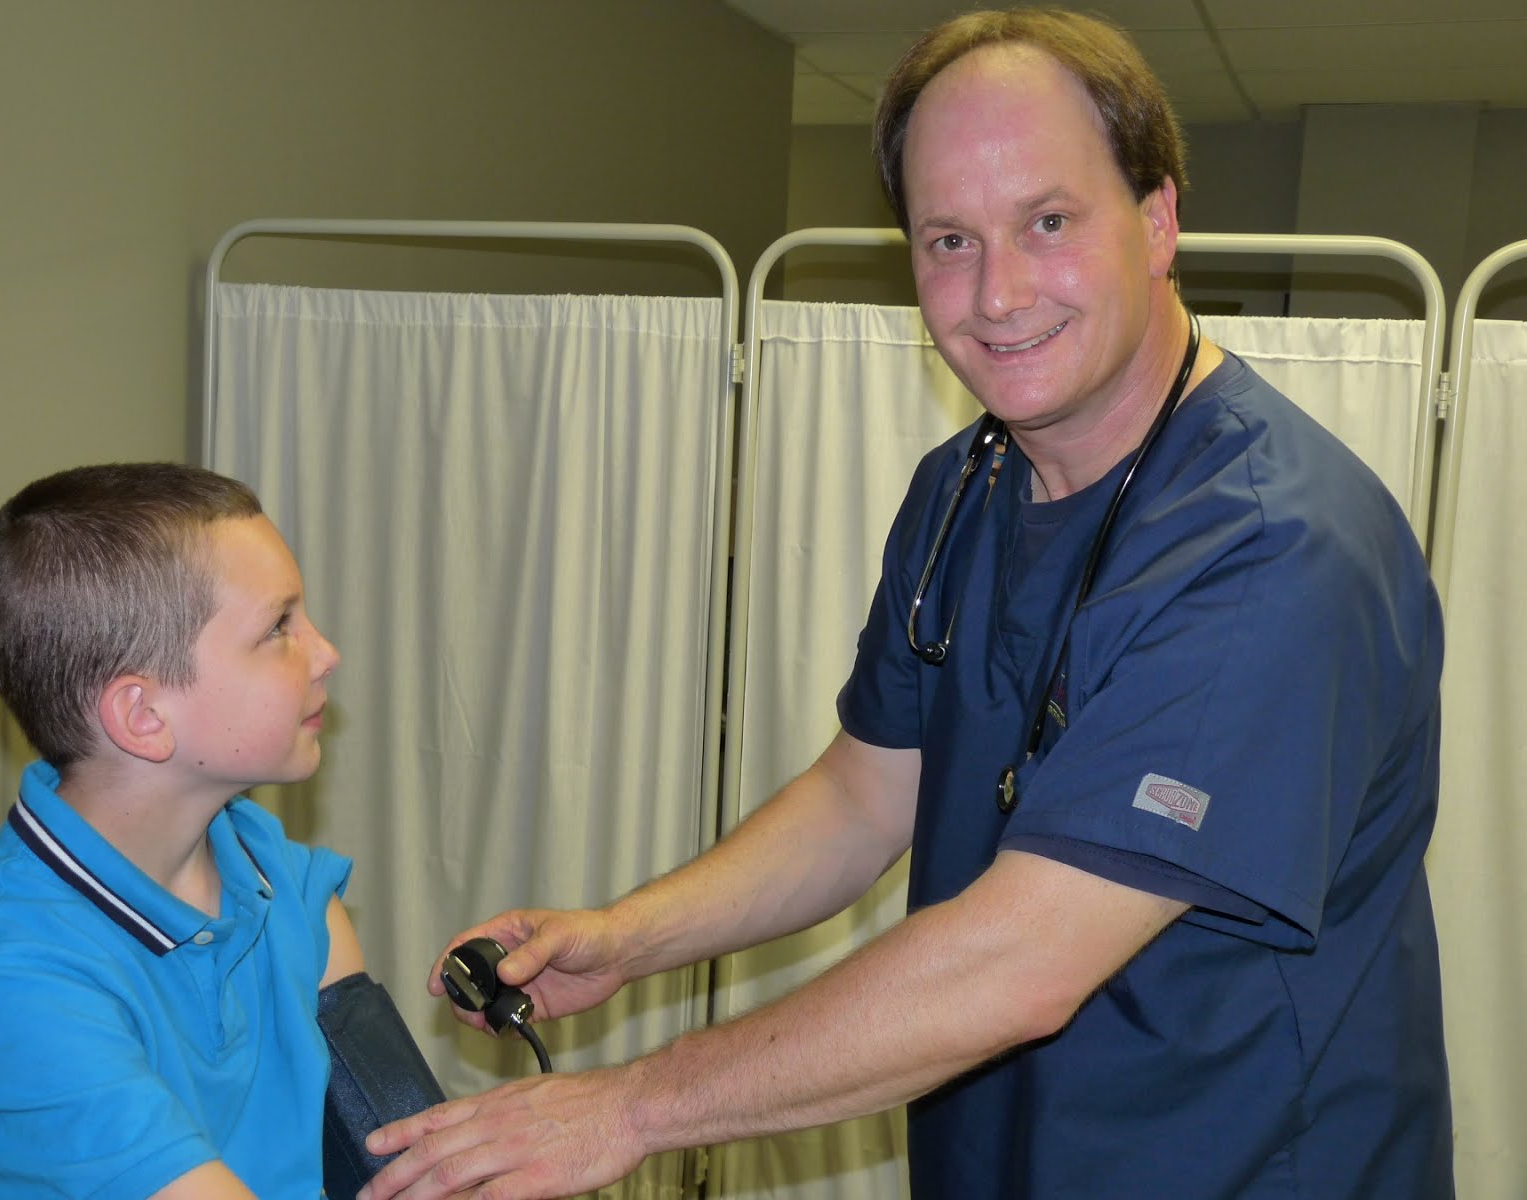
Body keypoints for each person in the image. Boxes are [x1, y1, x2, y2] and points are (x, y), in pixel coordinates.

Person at [363, 9, 1452, 1198]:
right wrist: (630, 938)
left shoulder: (1268, 553)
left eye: (1047, 221)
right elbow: (863, 793)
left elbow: (1022, 965)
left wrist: (627, 1109)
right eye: (947, 240)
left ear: (1157, 221)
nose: (996, 294)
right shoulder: (967, 484)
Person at [0, 463, 358, 1198]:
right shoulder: (6, 988)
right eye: (279, 627)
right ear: (144, 717)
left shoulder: (273, 871)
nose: (325, 653)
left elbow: (390, 1141)